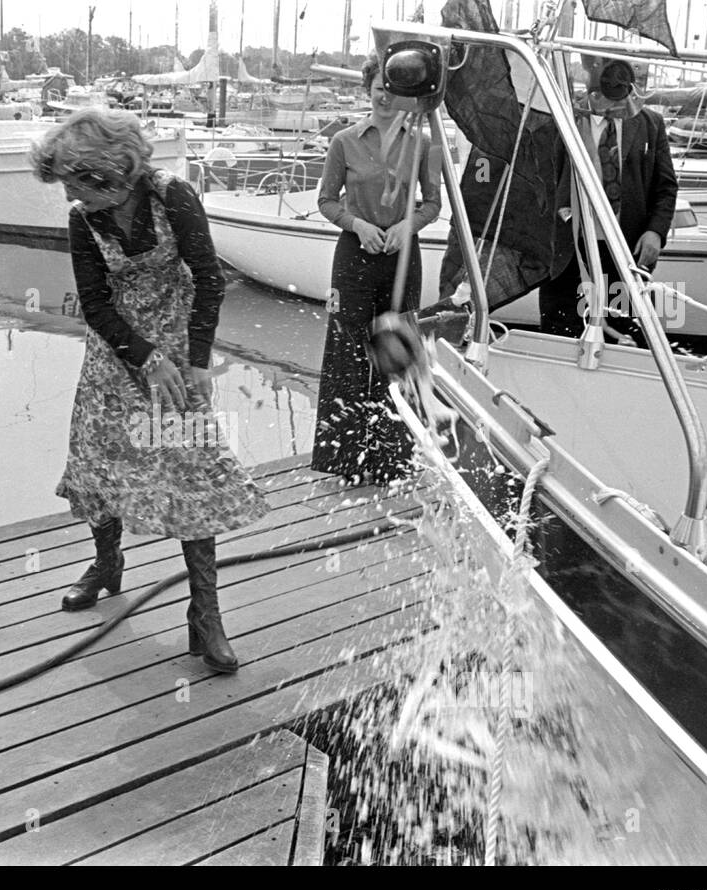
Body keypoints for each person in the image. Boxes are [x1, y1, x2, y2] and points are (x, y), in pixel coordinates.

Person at [30, 108, 268, 674]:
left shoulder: (173, 196)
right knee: (101, 458)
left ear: (110, 168)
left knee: (191, 475)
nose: (68, 191)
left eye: (74, 178)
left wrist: (198, 363)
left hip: (179, 343)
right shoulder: (82, 219)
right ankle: (107, 564)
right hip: (118, 350)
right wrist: (143, 356)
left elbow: (209, 278)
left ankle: (204, 615)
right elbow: (94, 303)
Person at [314, 53, 442, 485]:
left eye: (391, 91)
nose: (384, 98)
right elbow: (326, 200)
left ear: (403, 95)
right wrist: (358, 225)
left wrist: (410, 225)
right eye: (377, 90)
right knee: (348, 353)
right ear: (367, 92)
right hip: (355, 254)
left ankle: (393, 458)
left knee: (400, 350)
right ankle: (346, 458)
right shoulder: (344, 141)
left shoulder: (423, 143)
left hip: (402, 255)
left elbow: (433, 203)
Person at [537, 47, 678, 340]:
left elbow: (665, 186)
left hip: (626, 249)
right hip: (568, 250)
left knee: (631, 336)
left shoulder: (650, 124)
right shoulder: (564, 118)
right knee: (561, 335)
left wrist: (655, 232)